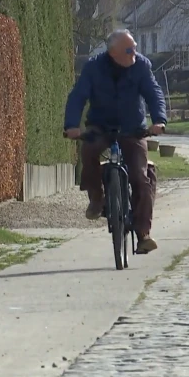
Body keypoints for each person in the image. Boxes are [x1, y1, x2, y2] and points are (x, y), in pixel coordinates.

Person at [63, 29, 167, 255]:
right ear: (113, 53)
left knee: (141, 176)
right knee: (89, 150)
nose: (134, 53)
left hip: (132, 128)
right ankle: (97, 197)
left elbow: (154, 93)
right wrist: (72, 125)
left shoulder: (141, 65)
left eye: (135, 48)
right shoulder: (93, 68)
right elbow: (78, 96)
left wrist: (159, 120)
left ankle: (143, 234)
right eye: (129, 50)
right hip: (101, 125)